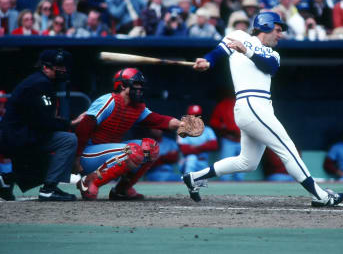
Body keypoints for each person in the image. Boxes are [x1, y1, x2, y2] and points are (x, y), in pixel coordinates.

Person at [182, 11, 343, 207]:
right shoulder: (240, 36)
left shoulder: (273, 54)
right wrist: (207, 61)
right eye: (277, 29)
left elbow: (269, 67)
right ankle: (321, 195)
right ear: (265, 26)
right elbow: (217, 53)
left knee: (247, 162)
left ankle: (195, 177)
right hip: (250, 104)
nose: (280, 34)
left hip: (259, 108)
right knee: (288, 149)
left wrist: (247, 51)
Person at [75, 68, 190, 200]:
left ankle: (122, 189)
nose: (140, 88)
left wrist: (182, 125)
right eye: (136, 84)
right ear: (122, 85)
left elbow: (158, 120)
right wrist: (76, 159)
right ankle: (89, 181)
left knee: (151, 148)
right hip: (87, 154)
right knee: (133, 151)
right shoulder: (108, 101)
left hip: (109, 152)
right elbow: (83, 128)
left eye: (141, 85)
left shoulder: (137, 107)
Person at [0, 49, 83, 201]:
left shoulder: (41, 81)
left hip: (21, 135)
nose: (63, 70)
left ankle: (6, 180)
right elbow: (43, 122)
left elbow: (40, 120)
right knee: (68, 140)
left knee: (52, 158)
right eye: (59, 66)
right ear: (45, 67)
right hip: (18, 138)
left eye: (64, 67)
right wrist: (70, 123)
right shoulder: (40, 84)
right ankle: (49, 189)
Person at [178, 105, 218, 175]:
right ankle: (187, 179)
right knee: (192, 158)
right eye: (192, 115)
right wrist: (205, 145)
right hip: (186, 162)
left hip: (203, 161)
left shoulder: (208, 130)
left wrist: (194, 147)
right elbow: (185, 150)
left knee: (202, 180)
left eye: (197, 115)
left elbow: (214, 145)